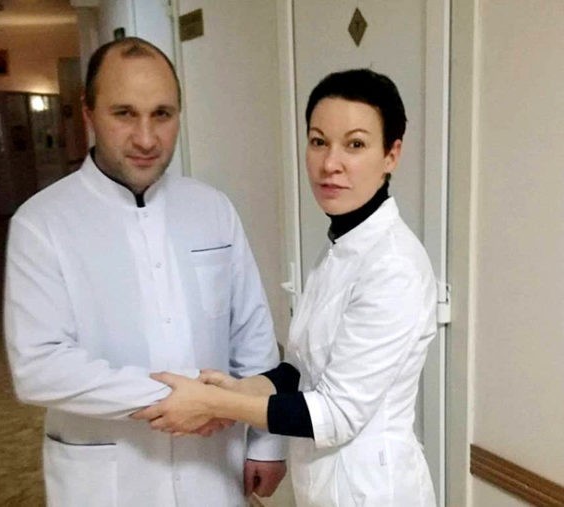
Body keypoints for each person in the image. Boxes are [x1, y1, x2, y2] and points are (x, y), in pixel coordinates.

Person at [132, 68, 438, 507]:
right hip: (326, 485)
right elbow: (301, 370)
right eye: (318, 141)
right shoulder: (342, 246)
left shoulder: (394, 266)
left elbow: (337, 413)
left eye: (355, 144)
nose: (330, 163)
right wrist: (240, 389)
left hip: (376, 490)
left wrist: (213, 405)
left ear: (392, 154)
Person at [3, 37, 286, 506]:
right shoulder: (42, 223)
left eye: (162, 114)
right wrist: (176, 400)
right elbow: (39, 367)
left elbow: (251, 333)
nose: (146, 138)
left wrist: (267, 441)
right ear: (89, 112)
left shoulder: (212, 209)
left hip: (211, 466)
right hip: (108, 478)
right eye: (124, 114)